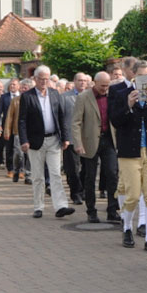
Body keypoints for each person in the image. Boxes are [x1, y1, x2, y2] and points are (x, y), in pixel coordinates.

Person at [110, 60, 147, 249]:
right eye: (141, 76)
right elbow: (115, 121)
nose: (144, 80)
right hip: (129, 151)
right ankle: (127, 228)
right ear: (133, 75)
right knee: (131, 195)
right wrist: (128, 105)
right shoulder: (120, 93)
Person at [19, 66, 75, 219]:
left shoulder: (55, 94)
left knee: (56, 174)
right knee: (37, 176)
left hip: (54, 140)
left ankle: (61, 206)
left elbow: (61, 117)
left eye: (47, 79)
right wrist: (24, 140)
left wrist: (65, 137)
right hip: (35, 141)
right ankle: (38, 206)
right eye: (41, 79)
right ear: (35, 79)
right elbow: (22, 120)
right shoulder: (27, 96)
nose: (44, 82)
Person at [72, 71, 121, 224]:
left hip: (109, 140)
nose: (105, 89)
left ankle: (112, 210)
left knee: (112, 175)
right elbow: (76, 122)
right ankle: (91, 211)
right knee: (90, 177)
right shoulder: (83, 97)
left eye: (107, 86)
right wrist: (78, 143)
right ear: (94, 83)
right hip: (90, 141)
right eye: (102, 86)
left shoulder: (112, 95)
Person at [62, 73, 87, 205]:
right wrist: (64, 137)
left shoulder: (91, 96)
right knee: (72, 168)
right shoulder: (65, 97)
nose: (82, 83)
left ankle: (83, 191)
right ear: (74, 81)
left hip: (87, 139)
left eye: (84, 81)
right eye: (79, 80)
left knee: (87, 168)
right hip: (71, 139)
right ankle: (75, 193)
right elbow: (62, 118)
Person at [3, 79, 33, 184]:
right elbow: (10, 116)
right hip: (18, 131)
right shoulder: (15, 100)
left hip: (31, 132)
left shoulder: (33, 100)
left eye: (26, 88)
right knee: (18, 154)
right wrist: (7, 130)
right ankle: (16, 170)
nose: (23, 89)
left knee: (30, 155)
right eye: (22, 87)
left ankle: (28, 175)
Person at [0, 79, 20, 178]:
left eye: (14, 84)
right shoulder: (4, 97)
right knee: (9, 148)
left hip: (19, 126)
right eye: (11, 85)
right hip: (7, 126)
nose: (12, 86)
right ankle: (10, 169)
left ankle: (20, 169)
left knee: (20, 150)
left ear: (18, 86)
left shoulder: (23, 97)